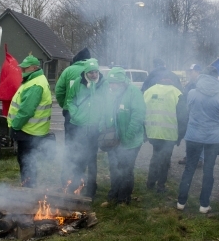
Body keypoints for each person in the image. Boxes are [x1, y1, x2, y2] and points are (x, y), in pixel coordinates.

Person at [177, 66, 219, 213]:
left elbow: (188, 110)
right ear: (217, 78)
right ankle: (204, 205)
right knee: (208, 170)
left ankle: (181, 202)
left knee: (189, 168)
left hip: (193, 135)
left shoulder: (192, 93)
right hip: (213, 137)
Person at [7, 55, 53, 188]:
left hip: (29, 131)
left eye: (25, 68)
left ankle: (28, 190)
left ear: (34, 67)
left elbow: (26, 111)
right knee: (28, 161)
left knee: (26, 162)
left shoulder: (35, 84)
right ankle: (28, 187)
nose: (22, 70)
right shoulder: (35, 80)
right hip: (33, 130)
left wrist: (15, 126)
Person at [102, 67, 146, 204]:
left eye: (113, 83)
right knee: (114, 166)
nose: (111, 85)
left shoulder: (133, 92)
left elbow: (138, 116)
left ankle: (124, 197)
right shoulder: (112, 93)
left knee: (126, 169)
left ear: (122, 82)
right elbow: (107, 113)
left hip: (131, 140)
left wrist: (127, 137)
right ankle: (114, 192)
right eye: (109, 83)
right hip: (114, 139)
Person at [66, 58, 107, 197]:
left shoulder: (104, 84)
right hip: (79, 126)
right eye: (90, 73)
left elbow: (109, 104)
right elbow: (70, 99)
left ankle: (92, 187)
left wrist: (102, 121)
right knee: (79, 157)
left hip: (96, 128)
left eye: (95, 72)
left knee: (92, 159)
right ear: (85, 73)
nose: (94, 75)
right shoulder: (78, 83)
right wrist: (75, 114)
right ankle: (77, 183)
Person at [144, 73, 187, 193]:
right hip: (169, 134)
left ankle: (150, 183)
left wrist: (144, 132)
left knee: (155, 157)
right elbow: (183, 117)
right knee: (165, 160)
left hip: (153, 132)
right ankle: (160, 186)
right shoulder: (177, 93)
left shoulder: (149, 91)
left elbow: (142, 111)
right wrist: (180, 136)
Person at [55, 48, 91, 185]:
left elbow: (59, 91)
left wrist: (65, 106)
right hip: (89, 116)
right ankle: (81, 178)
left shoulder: (68, 71)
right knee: (86, 148)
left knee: (70, 146)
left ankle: (66, 179)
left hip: (71, 115)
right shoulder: (94, 70)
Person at [179, 63, 204, 166]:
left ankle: (199, 159)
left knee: (198, 136)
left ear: (198, 71)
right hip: (189, 114)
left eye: (191, 71)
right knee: (190, 136)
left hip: (198, 114)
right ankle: (189, 156)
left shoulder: (201, 83)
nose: (190, 73)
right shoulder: (191, 83)